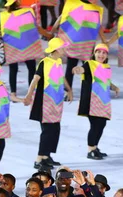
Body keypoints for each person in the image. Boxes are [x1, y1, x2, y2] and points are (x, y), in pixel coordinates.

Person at [0, 0, 49, 101]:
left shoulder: (4, 16)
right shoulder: (27, 13)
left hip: (12, 46)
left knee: (13, 69)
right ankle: (31, 92)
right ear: (17, 3)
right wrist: (48, 35)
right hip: (28, 45)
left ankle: (13, 94)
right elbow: (37, 28)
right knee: (31, 68)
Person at [24, 37, 73, 171]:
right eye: (63, 47)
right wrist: (28, 96)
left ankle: (47, 155)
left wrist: (69, 89)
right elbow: (35, 80)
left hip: (56, 101)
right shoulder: (44, 63)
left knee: (55, 129)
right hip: (45, 101)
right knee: (47, 130)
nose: (64, 50)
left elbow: (62, 78)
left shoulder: (57, 61)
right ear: (56, 49)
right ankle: (39, 158)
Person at [73, 43, 119, 160]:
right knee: (95, 125)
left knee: (101, 124)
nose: (101, 55)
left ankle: (95, 147)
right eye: (98, 52)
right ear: (94, 53)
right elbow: (82, 69)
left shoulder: (106, 67)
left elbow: (106, 82)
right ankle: (90, 149)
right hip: (91, 101)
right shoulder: (89, 64)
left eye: (104, 53)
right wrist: (77, 69)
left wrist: (114, 87)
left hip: (103, 101)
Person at [53, 0, 105, 89]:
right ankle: (88, 91)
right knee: (88, 68)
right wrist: (104, 40)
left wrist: (53, 30)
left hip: (74, 43)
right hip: (87, 45)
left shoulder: (73, 4)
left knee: (71, 67)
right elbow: (98, 26)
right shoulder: (95, 10)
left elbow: (62, 17)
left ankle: (68, 91)